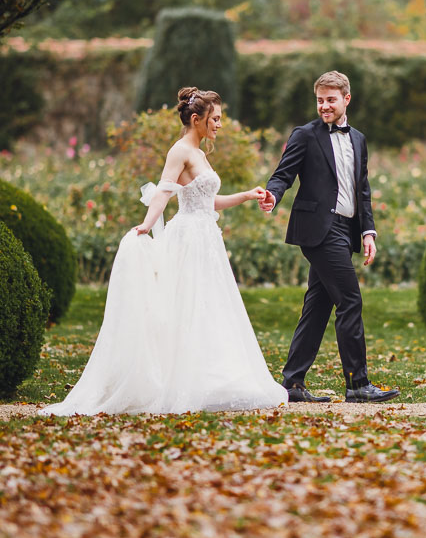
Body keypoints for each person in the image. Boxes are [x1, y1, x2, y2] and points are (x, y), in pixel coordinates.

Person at [43, 87, 286, 416]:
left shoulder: (200, 152)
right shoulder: (180, 151)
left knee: (209, 306)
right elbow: (163, 191)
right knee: (185, 305)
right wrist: (146, 224)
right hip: (188, 237)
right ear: (197, 120)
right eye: (215, 119)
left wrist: (245, 195)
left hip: (206, 237)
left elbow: (207, 201)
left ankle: (208, 376)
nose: (220, 124)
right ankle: (180, 380)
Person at [260, 71, 400, 403]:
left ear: (346, 99)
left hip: (345, 229)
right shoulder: (305, 135)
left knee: (317, 307)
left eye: (331, 100)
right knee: (350, 301)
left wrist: (368, 232)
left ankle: (293, 384)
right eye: (320, 100)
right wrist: (272, 195)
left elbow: (361, 189)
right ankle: (357, 384)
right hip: (318, 230)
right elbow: (284, 174)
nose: (324, 106)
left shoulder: (359, 139)